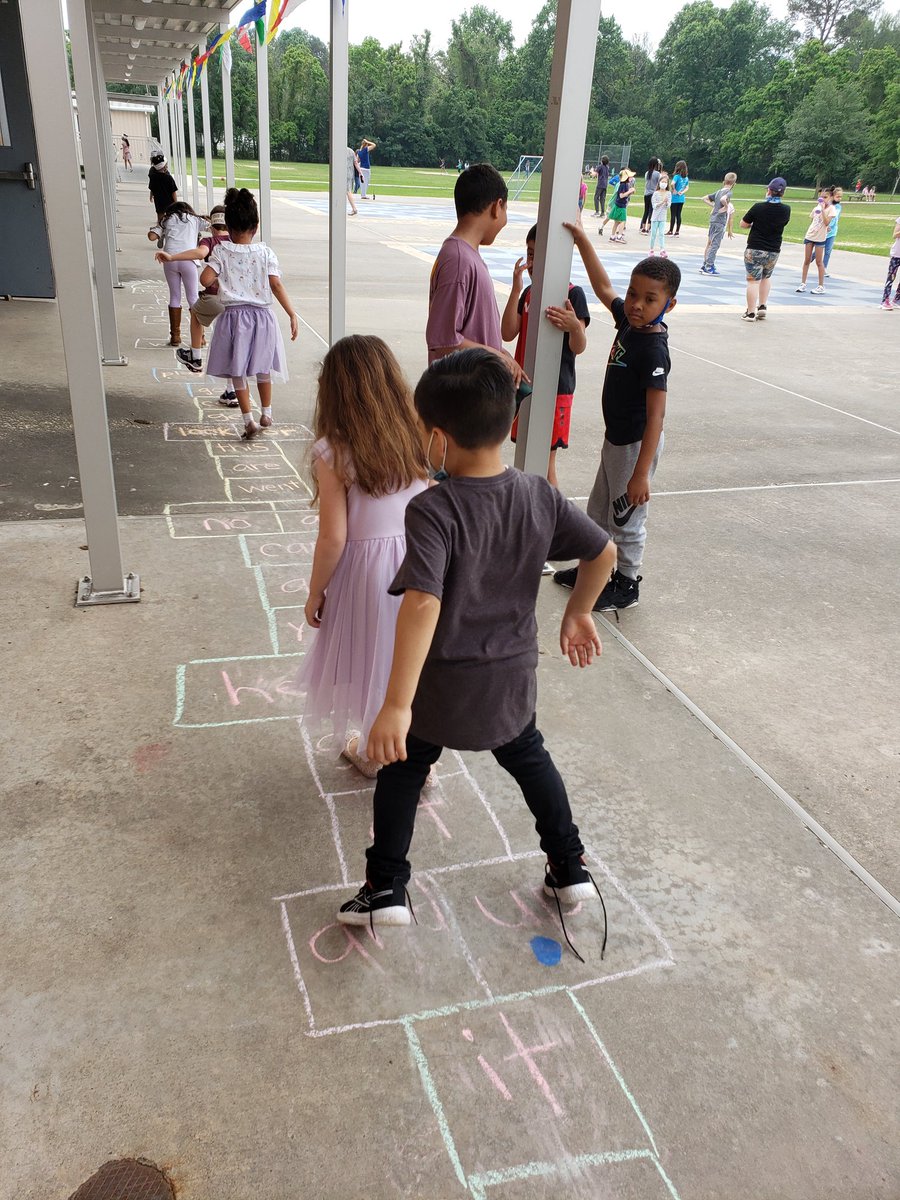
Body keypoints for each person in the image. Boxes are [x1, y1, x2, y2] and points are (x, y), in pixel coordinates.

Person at [335, 348, 617, 930]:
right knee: (530, 759)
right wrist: (578, 613)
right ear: (506, 425)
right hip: (510, 679)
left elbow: (422, 602)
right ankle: (569, 868)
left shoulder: (433, 509)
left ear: (439, 438)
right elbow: (604, 551)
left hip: (442, 684)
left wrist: (395, 704)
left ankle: (385, 888)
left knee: (404, 770)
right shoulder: (538, 494)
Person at [297, 336, 429, 778]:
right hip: (417, 558)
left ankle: (378, 754)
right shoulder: (415, 432)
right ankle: (415, 755)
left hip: (368, 570)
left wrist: (316, 591)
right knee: (405, 656)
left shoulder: (333, 451)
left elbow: (334, 536)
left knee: (373, 655)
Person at [553, 219, 680, 611]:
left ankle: (626, 583)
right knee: (598, 509)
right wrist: (583, 241)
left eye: (650, 299)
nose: (638, 304)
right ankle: (594, 566)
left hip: (635, 446)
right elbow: (603, 287)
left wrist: (641, 473)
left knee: (626, 520)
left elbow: (657, 417)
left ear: (668, 304)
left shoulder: (655, 350)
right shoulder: (628, 320)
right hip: (615, 439)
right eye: (634, 294)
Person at [200, 188, 298, 440]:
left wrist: (216, 270)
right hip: (263, 318)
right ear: (256, 226)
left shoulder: (222, 251)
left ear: (228, 228)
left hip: (234, 318)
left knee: (238, 369)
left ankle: (249, 420)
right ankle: (267, 412)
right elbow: (276, 284)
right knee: (263, 366)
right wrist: (291, 313)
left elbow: (205, 278)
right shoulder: (265, 253)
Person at [500, 223, 590, 489]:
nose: (532, 262)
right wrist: (516, 288)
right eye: (529, 254)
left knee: (546, 466)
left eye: (539, 255)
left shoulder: (572, 294)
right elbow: (507, 332)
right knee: (527, 457)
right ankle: (533, 514)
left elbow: (579, 346)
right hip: (524, 387)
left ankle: (553, 522)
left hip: (555, 391)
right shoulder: (528, 293)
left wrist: (574, 326)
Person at [425, 163, 524, 385]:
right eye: (505, 210)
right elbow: (443, 340)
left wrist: (498, 351)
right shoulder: (459, 260)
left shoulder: (466, 256)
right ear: (497, 207)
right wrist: (494, 355)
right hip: (463, 402)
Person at [155, 204, 231, 374]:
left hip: (216, 298)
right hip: (239, 300)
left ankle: (195, 356)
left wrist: (172, 256)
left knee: (195, 311)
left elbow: (200, 257)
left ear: (212, 226)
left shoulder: (209, 241)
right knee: (231, 342)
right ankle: (231, 390)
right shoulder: (236, 240)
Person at [148, 201, 203, 348]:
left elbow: (152, 236)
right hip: (188, 259)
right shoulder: (195, 219)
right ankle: (200, 336)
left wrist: (158, 227)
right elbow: (214, 225)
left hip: (169, 258)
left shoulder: (167, 220)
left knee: (175, 296)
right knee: (193, 297)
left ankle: (175, 336)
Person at [739, 177, 791, 322]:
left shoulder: (758, 207)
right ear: (782, 193)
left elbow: (743, 224)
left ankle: (750, 312)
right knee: (766, 277)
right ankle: (762, 305)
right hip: (773, 249)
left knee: (753, 281)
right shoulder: (786, 210)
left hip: (755, 247)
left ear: (769, 190)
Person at [796, 188, 837, 295]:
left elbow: (827, 222)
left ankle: (820, 285)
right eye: (821, 197)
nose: (823, 199)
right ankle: (803, 283)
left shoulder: (831, 209)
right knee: (807, 260)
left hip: (820, 238)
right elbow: (813, 221)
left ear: (831, 198)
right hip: (810, 235)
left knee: (819, 262)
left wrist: (823, 210)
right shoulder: (816, 208)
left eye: (825, 197)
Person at [699, 171, 737, 275]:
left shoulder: (718, 191)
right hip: (720, 221)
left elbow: (704, 198)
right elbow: (723, 199)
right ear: (734, 183)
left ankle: (705, 263)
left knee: (710, 243)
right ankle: (709, 266)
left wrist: (714, 206)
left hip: (713, 219)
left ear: (724, 181)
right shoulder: (728, 192)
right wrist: (725, 206)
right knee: (715, 244)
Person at [601, 168, 636, 243]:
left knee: (616, 222)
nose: (631, 178)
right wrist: (629, 191)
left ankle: (612, 236)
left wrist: (630, 192)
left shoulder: (625, 184)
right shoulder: (623, 184)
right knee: (623, 221)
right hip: (621, 206)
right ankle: (619, 236)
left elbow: (624, 195)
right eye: (629, 177)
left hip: (619, 205)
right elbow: (621, 196)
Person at [147, 152, 178, 219]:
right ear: (164, 166)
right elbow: (173, 192)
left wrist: (151, 195)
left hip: (158, 200)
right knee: (170, 217)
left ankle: (160, 226)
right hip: (169, 201)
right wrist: (176, 203)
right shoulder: (168, 177)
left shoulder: (152, 174)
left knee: (160, 216)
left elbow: (152, 187)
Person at [880, 214, 900, 309]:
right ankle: (885, 300)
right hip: (897, 254)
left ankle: (897, 299)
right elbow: (895, 235)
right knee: (891, 277)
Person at [648, 172, 671, 256]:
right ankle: (651, 249)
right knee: (653, 234)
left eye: (665, 182)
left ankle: (662, 249)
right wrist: (662, 202)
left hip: (663, 217)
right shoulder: (656, 193)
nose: (664, 184)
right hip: (655, 217)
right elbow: (654, 205)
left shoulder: (668, 193)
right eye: (662, 182)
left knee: (661, 234)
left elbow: (669, 205)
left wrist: (666, 203)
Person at [823, 186, 843, 276]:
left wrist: (833, 227)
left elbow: (836, 218)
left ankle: (823, 268)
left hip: (833, 232)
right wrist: (827, 226)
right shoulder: (828, 206)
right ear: (833, 196)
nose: (839, 198)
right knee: (819, 249)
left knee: (828, 251)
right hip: (824, 231)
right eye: (838, 196)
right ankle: (810, 259)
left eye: (840, 197)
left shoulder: (839, 207)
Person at [640, 157, 662, 234]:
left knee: (646, 210)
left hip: (646, 193)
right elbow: (660, 181)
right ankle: (648, 228)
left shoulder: (647, 173)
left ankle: (643, 228)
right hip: (653, 194)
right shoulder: (657, 174)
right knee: (651, 211)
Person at [669, 160, 689, 235]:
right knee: (679, 214)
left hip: (675, 198)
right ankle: (677, 231)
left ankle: (671, 230)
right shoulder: (686, 178)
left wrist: (674, 190)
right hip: (681, 198)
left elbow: (672, 184)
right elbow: (687, 187)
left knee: (673, 214)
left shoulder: (676, 176)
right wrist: (682, 192)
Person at [346, 146, 360, 215]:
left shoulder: (339, 151)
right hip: (350, 174)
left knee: (348, 191)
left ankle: (354, 208)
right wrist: (360, 172)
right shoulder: (351, 151)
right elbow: (356, 163)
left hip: (344, 174)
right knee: (347, 191)